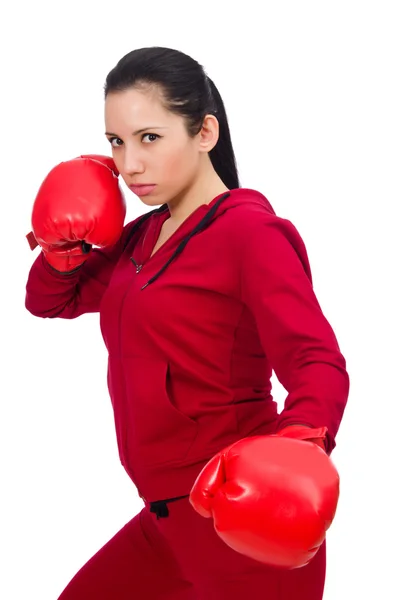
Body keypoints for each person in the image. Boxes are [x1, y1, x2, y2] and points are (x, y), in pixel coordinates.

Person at [25, 46, 349, 599]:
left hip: (244, 527)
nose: (129, 165)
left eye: (149, 138)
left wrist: (298, 447)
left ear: (204, 133)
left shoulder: (251, 235)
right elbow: (52, 300)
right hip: (166, 521)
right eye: (116, 142)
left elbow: (316, 359)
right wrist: (61, 249)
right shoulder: (142, 240)